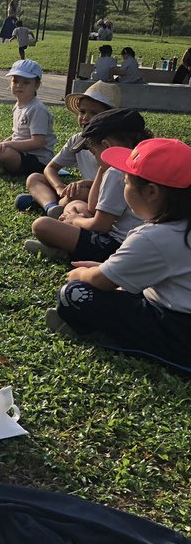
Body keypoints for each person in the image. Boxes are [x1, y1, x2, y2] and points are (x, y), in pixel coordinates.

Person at [49, 138, 191, 371]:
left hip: (178, 329)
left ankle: (125, 341)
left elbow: (101, 281)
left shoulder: (154, 237)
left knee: (74, 294)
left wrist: (82, 274)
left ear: (151, 192)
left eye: (125, 182)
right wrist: (107, 268)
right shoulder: (179, 229)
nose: (123, 188)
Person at [25, 108, 150, 264]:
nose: (95, 158)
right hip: (137, 241)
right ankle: (67, 244)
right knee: (76, 204)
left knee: (42, 225)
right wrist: (101, 169)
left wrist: (76, 220)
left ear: (106, 146)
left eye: (94, 152)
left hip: (118, 245)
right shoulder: (139, 163)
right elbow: (93, 206)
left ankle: (65, 251)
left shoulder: (116, 172)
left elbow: (100, 226)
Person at [17, 81, 120, 216]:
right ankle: (51, 206)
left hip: (100, 194)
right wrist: (59, 188)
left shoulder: (113, 144)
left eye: (94, 113)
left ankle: (45, 202)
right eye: (82, 112)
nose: (85, 118)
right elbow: (51, 168)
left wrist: (86, 184)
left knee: (79, 197)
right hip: (79, 191)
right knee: (35, 178)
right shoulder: (78, 139)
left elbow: (116, 182)